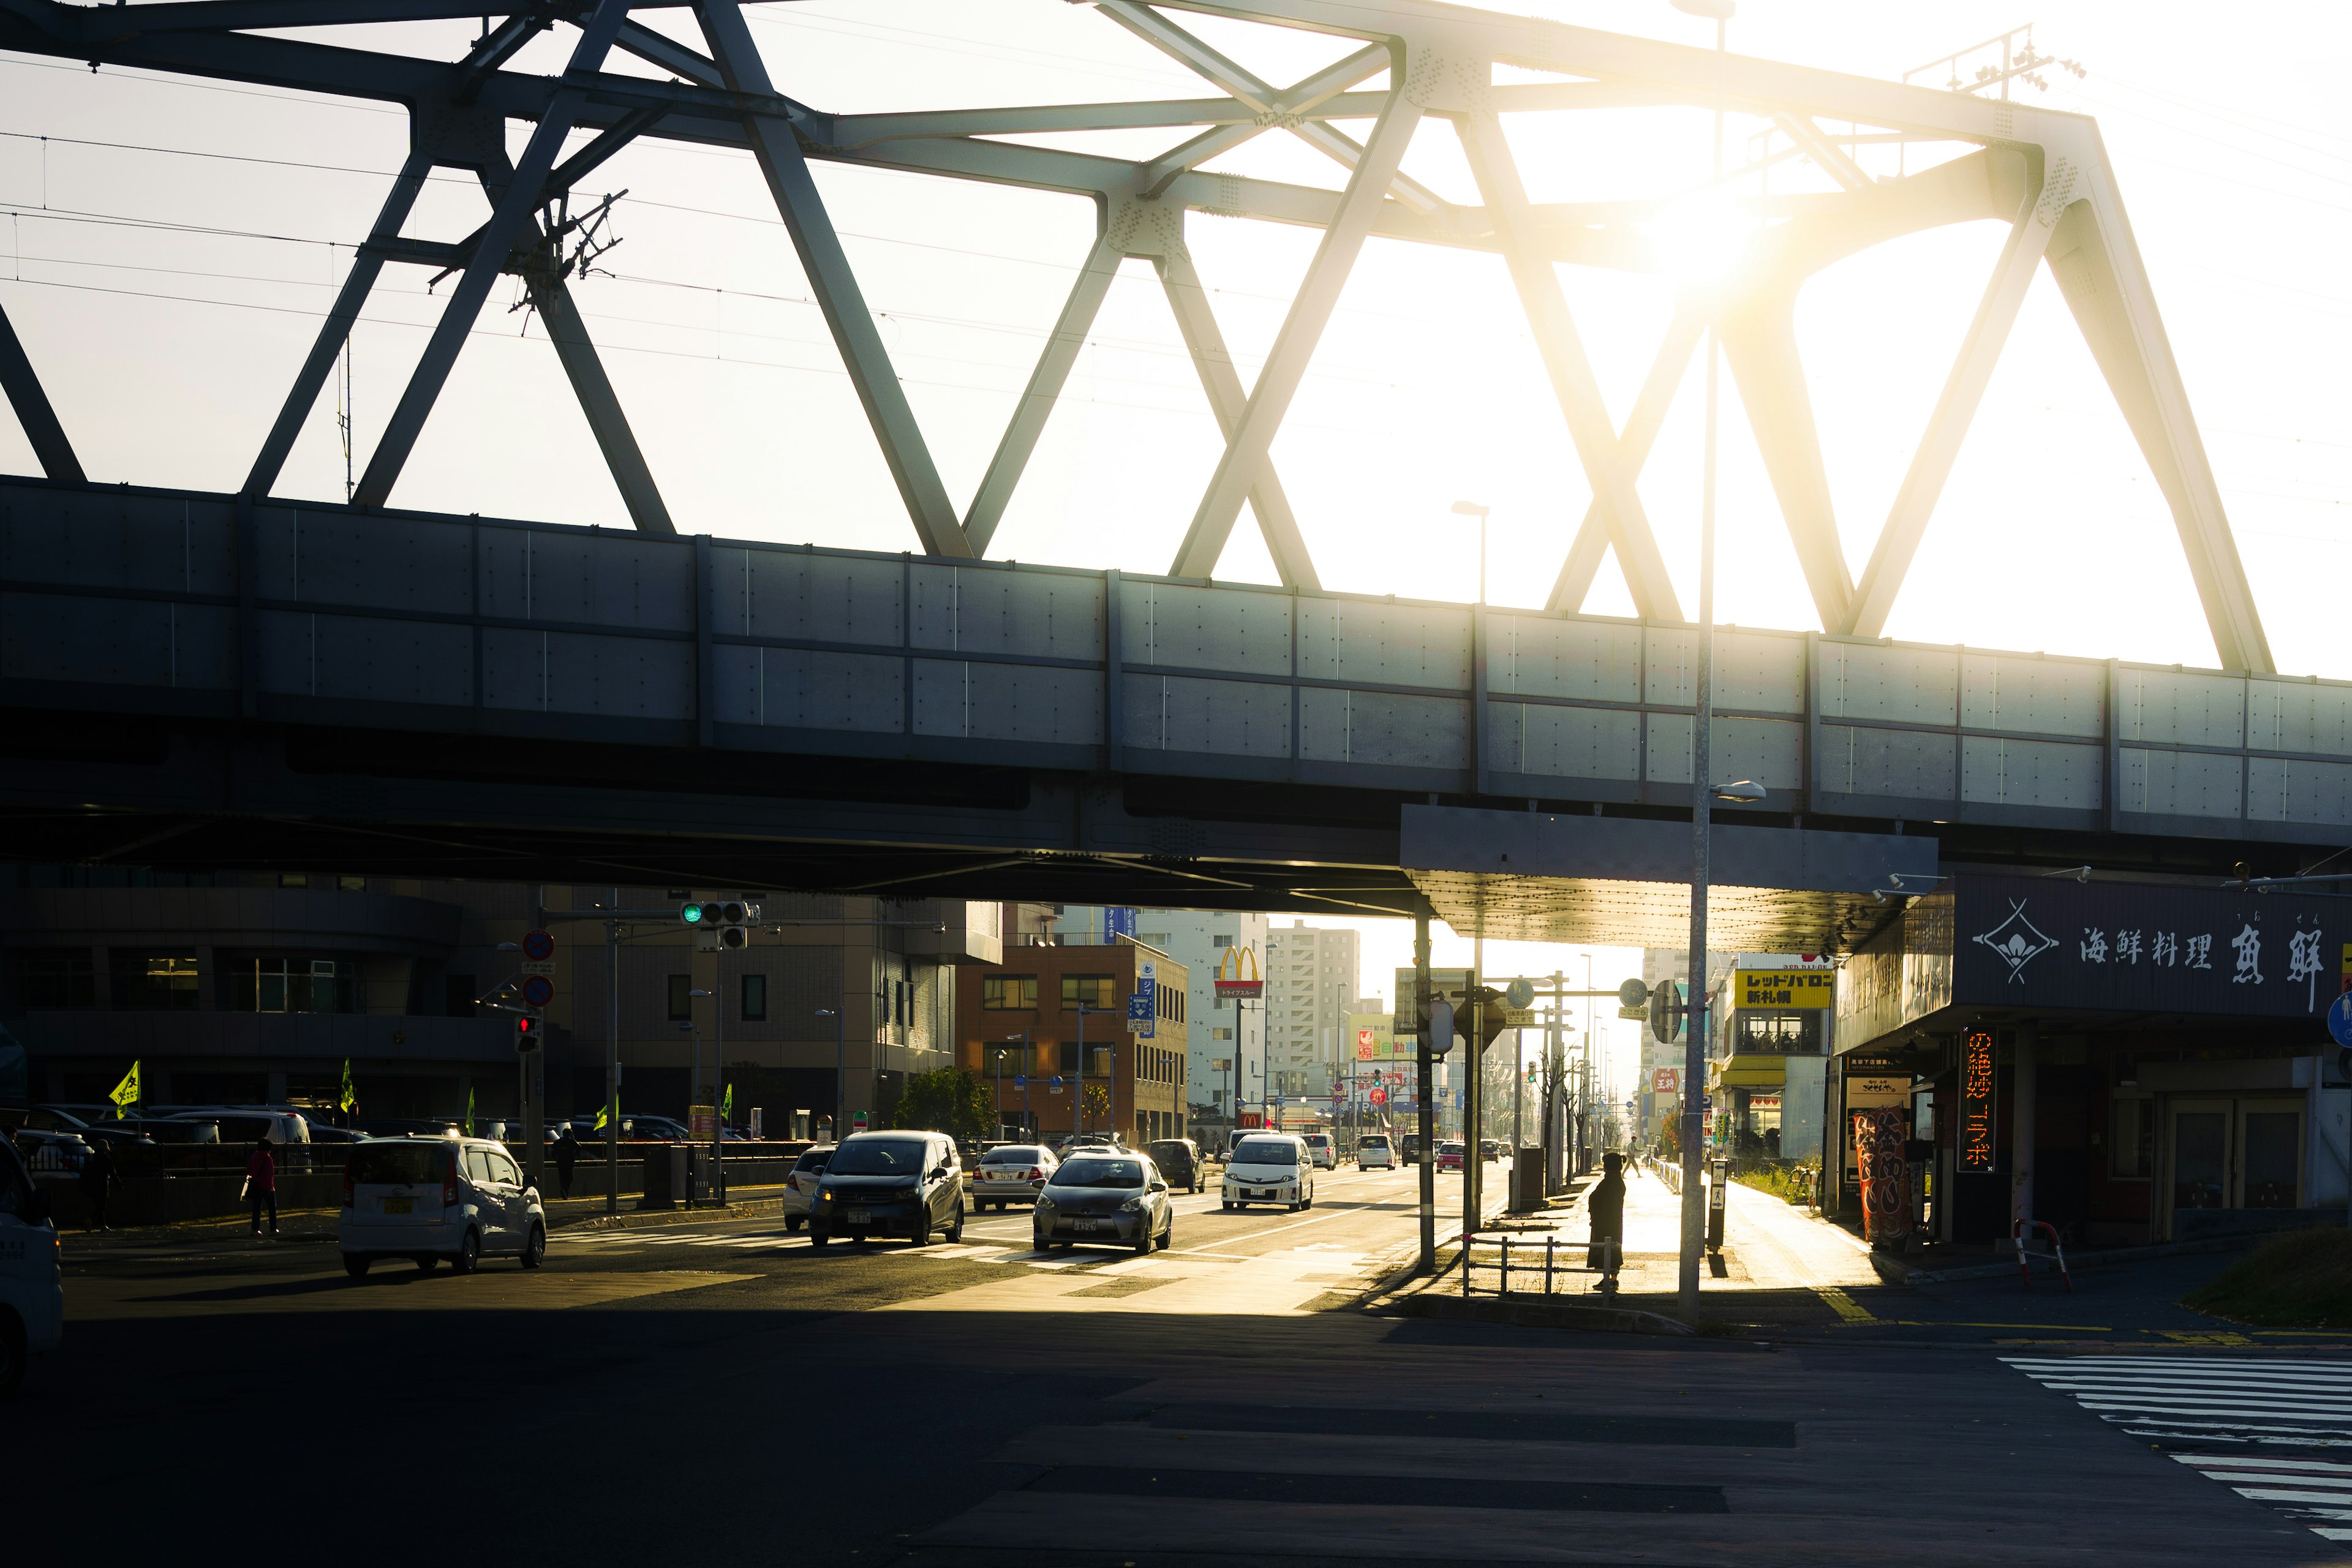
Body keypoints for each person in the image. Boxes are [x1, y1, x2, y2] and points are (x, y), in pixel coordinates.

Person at [1587, 1150, 1627, 1295]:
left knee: (1607, 1248)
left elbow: (1597, 1199)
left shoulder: (1611, 1182)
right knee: (1613, 1248)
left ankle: (1609, 1279)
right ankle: (1612, 1278)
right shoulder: (1616, 1181)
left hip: (1606, 1222)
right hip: (1613, 1221)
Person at [80, 1137, 118, 1231]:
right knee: (102, 1206)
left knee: (99, 1205)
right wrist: (119, 1185)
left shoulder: (91, 1158)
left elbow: (85, 1171)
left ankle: (102, 1225)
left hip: (90, 1185)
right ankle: (91, 1220)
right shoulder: (106, 1159)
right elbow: (113, 1173)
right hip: (102, 1185)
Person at [245, 1138, 278, 1236]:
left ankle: (255, 1229)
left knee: (256, 1209)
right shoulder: (268, 1159)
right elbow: (270, 1175)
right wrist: (269, 1188)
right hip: (267, 1187)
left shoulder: (254, 1156)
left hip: (256, 1186)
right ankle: (273, 1229)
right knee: (272, 1208)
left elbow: (249, 1171)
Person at [553, 1123, 579, 1199]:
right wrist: (575, 1155)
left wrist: (556, 1158)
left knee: (562, 1177)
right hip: (569, 1162)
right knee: (570, 1178)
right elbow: (579, 1148)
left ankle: (564, 1191)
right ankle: (565, 1191)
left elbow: (552, 1150)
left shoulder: (558, 1142)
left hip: (560, 1162)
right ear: (570, 1134)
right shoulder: (572, 1142)